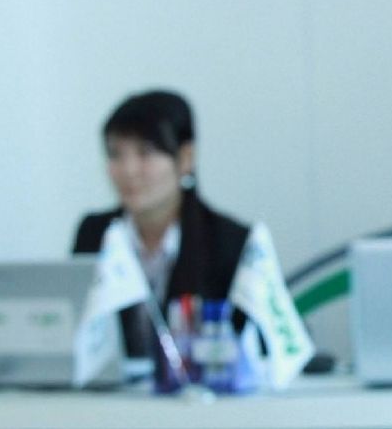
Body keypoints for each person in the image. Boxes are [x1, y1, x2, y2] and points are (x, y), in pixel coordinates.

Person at [72, 90, 257, 365]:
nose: (128, 170)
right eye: (115, 154)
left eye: (145, 152)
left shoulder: (230, 241)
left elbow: (257, 345)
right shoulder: (95, 233)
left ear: (185, 158)